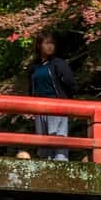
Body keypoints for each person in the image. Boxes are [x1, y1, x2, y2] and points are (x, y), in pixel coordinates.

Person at [29, 33, 76, 161]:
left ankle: (61, 164)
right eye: (46, 43)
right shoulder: (34, 67)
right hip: (39, 107)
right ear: (39, 46)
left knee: (58, 139)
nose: (50, 46)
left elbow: (70, 83)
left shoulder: (58, 64)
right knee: (43, 143)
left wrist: (66, 100)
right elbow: (32, 87)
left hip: (57, 106)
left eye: (52, 43)